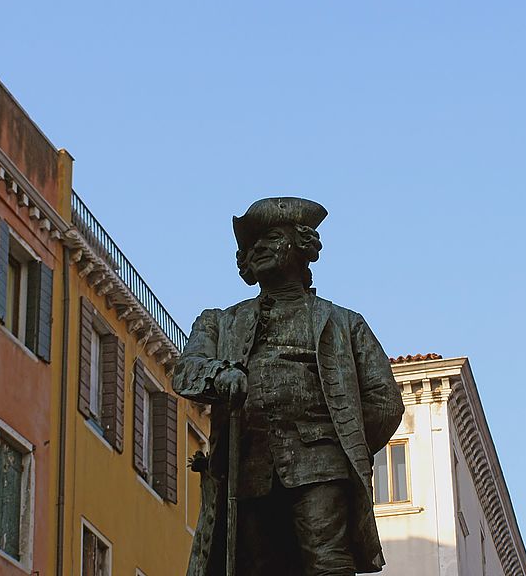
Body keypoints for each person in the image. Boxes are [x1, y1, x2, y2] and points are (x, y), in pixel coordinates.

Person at [173, 197, 404, 576]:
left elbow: (385, 402)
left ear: (302, 245)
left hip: (321, 467)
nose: (259, 247)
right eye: (252, 244)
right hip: (247, 465)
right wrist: (219, 375)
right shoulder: (219, 322)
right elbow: (187, 371)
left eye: (272, 237)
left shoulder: (344, 323)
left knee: (327, 564)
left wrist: (340, 445)